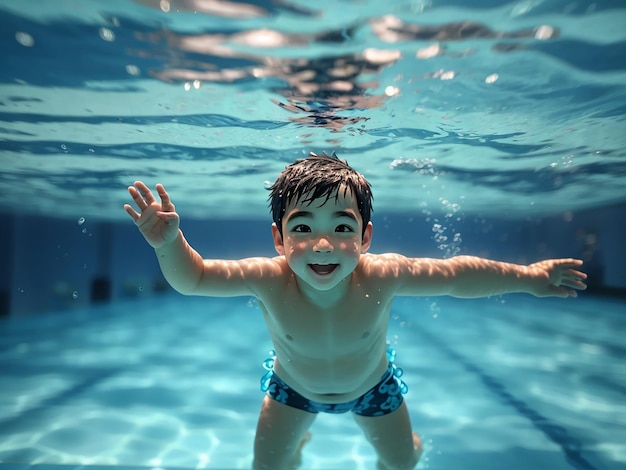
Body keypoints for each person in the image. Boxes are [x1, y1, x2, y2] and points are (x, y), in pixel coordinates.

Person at [124, 152, 587, 470]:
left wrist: (529, 278)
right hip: (293, 390)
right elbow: (196, 278)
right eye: (302, 227)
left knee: (402, 463)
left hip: (372, 390)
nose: (322, 244)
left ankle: (401, 446)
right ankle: (298, 445)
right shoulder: (269, 276)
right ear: (278, 240)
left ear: (365, 238)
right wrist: (170, 244)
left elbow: (456, 275)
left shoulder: (382, 274)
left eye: (341, 227)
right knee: (268, 466)